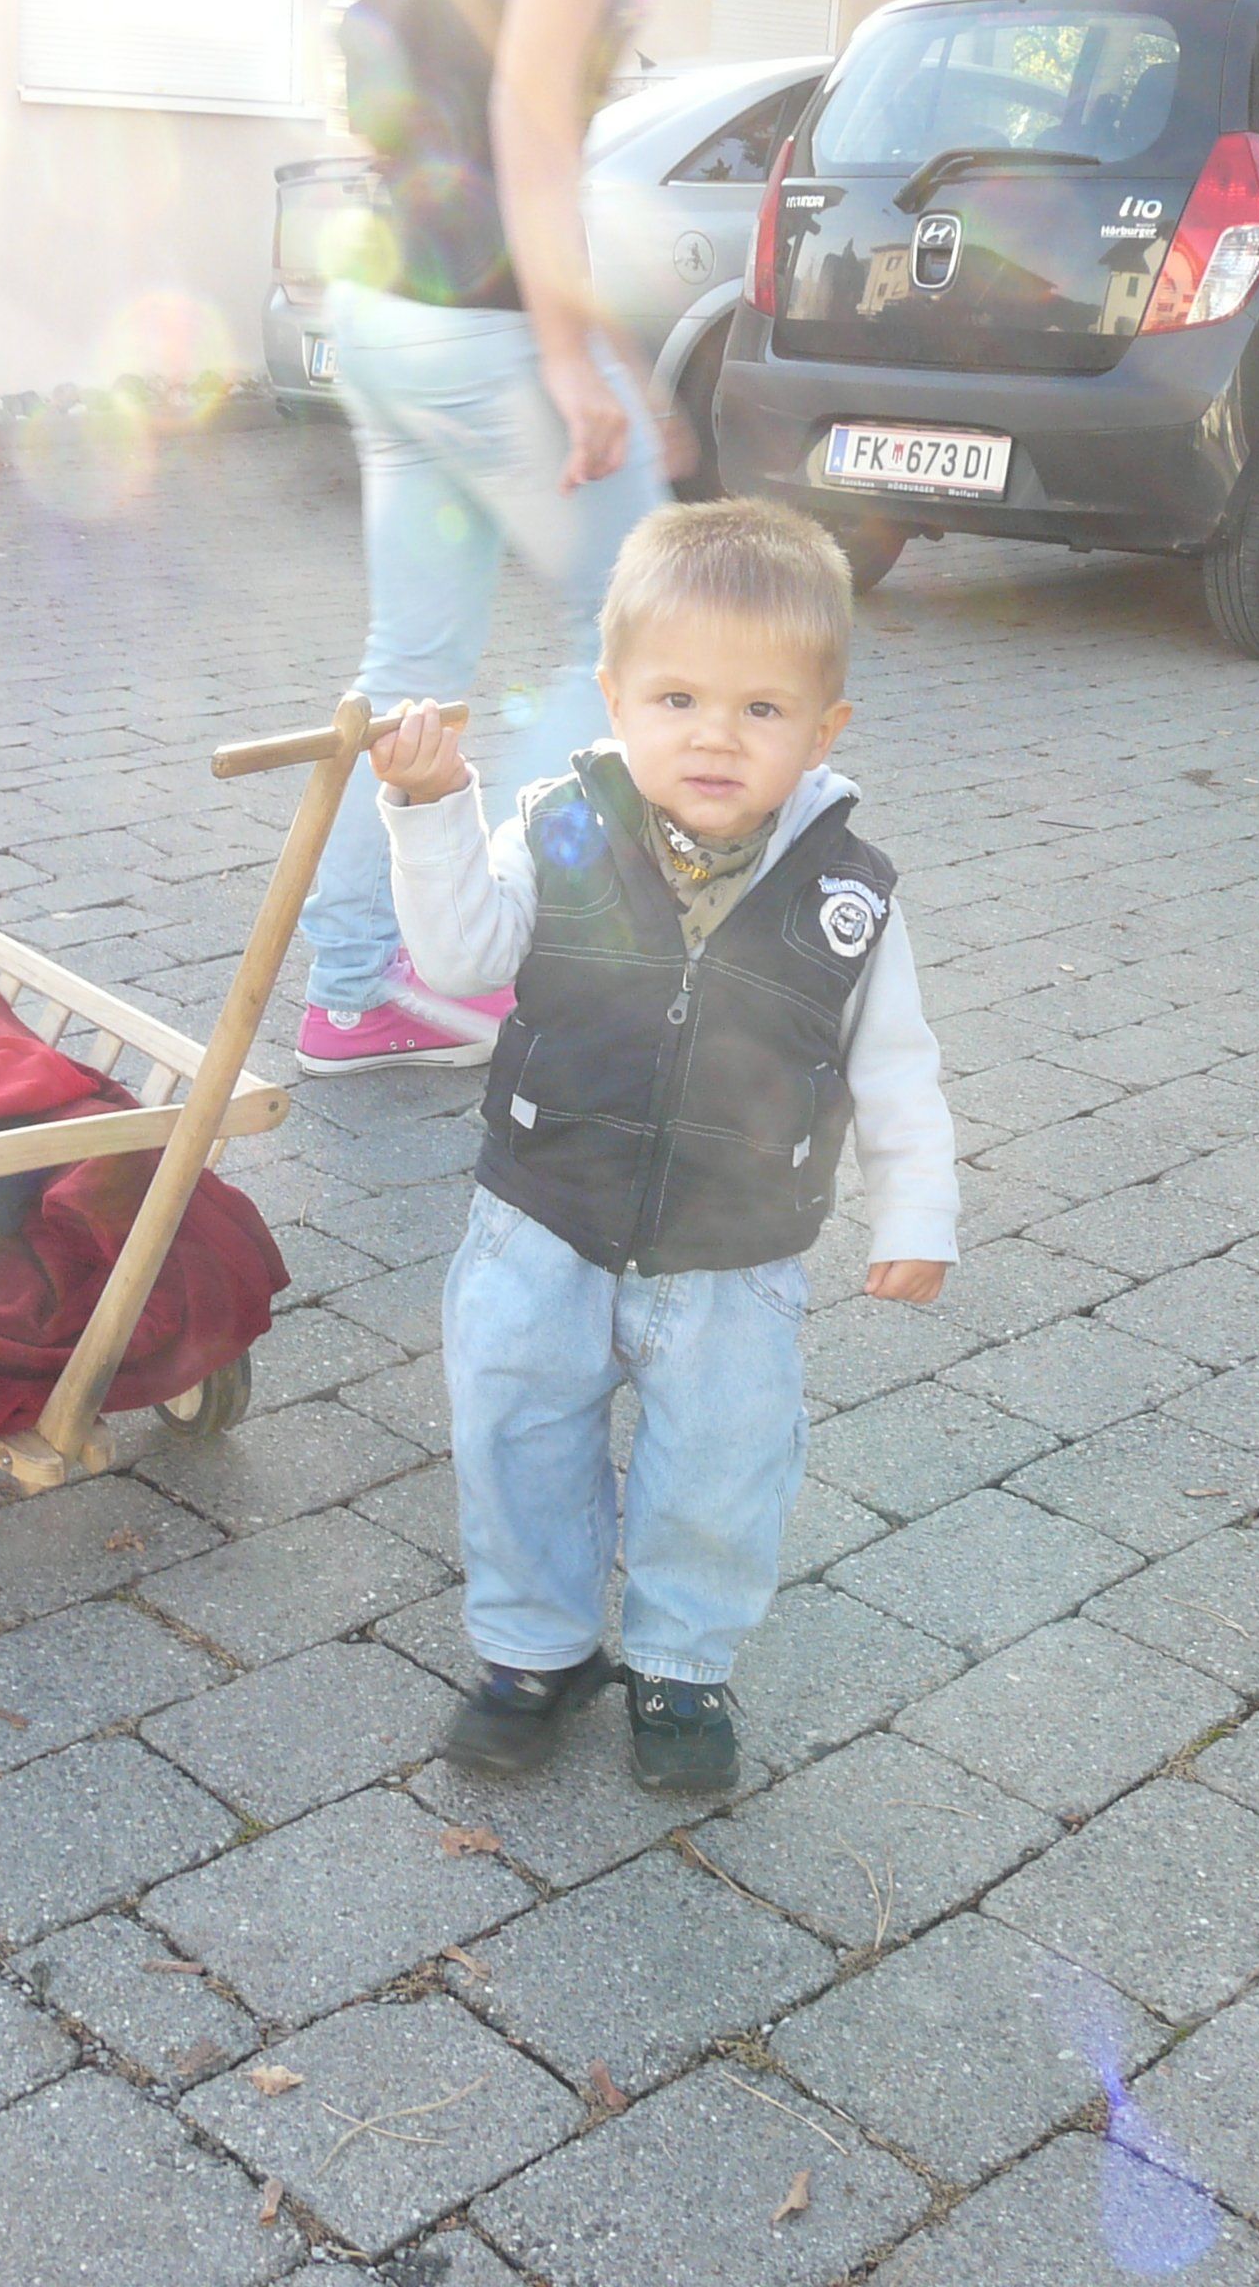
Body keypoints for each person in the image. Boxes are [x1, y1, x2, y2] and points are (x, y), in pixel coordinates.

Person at [369, 499, 958, 1792]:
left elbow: (894, 1064)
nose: (714, 735)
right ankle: (535, 1651)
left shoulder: (849, 895)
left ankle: (683, 1667)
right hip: (542, 1216)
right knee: (518, 1436)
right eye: (678, 698)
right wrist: (431, 808)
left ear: (823, 732)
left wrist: (918, 1213)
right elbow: (460, 955)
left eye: (761, 709)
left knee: (720, 1468)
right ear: (615, 699)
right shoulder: (560, 827)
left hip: (734, 1252)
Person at [296, 0, 675, 1075]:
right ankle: (491, 932)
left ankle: (354, 990)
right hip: (485, 329)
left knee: (410, 667)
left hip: (389, 316)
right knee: (633, 640)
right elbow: (529, 113)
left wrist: (606, 350)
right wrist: (569, 356)